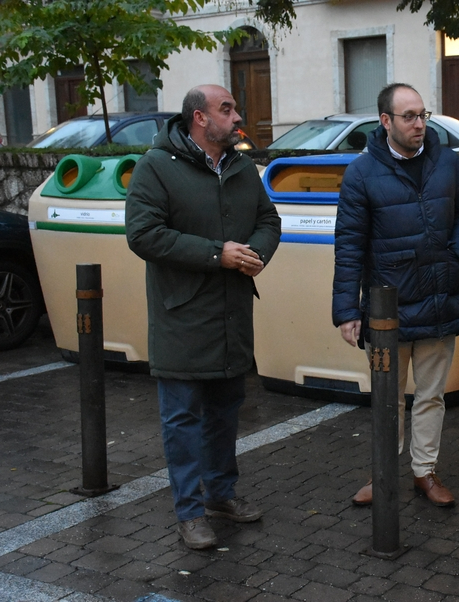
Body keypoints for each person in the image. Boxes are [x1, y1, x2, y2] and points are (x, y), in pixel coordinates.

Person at [125, 84, 281, 550]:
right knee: (183, 420)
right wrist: (218, 255)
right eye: (227, 109)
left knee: (225, 413)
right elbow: (143, 235)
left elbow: (268, 220)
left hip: (232, 315)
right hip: (183, 317)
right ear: (199, 118)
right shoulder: (157, 166)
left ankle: (221, 494)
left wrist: (256, 254)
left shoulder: (240, 166)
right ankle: (189, 512)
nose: (237, 117)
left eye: (235, 107)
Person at [332, 83, 459, 508]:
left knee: (431, 395)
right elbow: (349, 245)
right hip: (386, 310)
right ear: (385, 122)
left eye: (422, 115)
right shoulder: (361, 174)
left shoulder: (449, 163)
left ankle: (424, 472)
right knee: (387, 399)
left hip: (439, 299)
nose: (419, 124)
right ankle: (383, 475)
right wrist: (346, 310)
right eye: (409, 116)